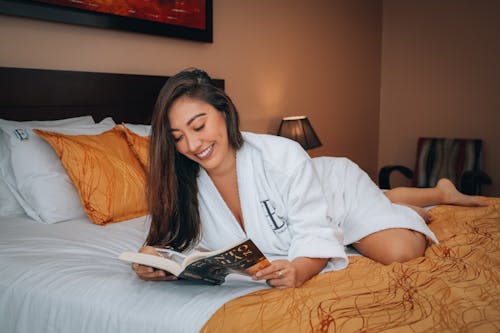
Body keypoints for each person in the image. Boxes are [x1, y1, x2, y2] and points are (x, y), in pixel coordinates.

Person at [133, 68, 488, 288]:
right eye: (177, 137)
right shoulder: (181, 180)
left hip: (336, 189)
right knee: (375, 209)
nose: (193, 144)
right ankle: (413, 194)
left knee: (399, 252)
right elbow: (168, 239)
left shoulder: (281, 155)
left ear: (224, 113)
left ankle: (427, 201)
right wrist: (149, 261)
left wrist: (300, 270)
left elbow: (313, 235)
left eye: (199, 126)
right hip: (309, 196)